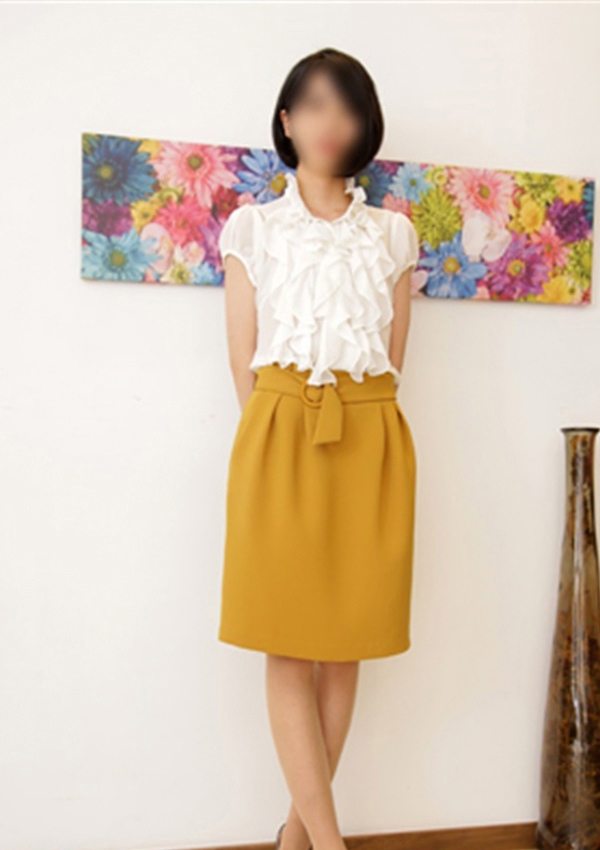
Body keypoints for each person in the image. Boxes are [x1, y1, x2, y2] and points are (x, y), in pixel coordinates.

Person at [217, 47, 419, 850]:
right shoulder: (252, 227)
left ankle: (297, 839)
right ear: (287, 121)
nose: (331, 121)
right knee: (288, 643)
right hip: (279, 430)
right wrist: (282, 443)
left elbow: (395, 358)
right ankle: (328, 846)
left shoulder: (395, 235)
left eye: (347, 105)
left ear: (365, 123)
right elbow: (243, 359)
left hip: (369, 433)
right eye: (314, 105)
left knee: (346, 645)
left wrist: (356, 423)